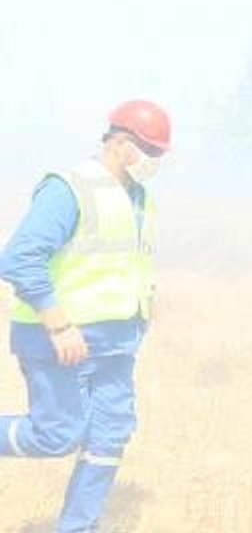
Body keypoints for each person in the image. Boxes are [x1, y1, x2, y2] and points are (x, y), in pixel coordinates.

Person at [0, 100, 171, 533]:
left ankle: (76, 528)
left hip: (117, 342)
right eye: (149, 152)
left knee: (109, 435)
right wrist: (58, 323)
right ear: (119, 142)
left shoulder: (140, 197)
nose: (155, 163)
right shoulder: (70, 187)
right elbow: (19, 259)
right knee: (55, 435)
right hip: (59, 337)